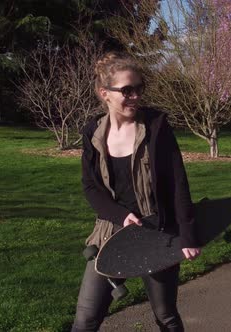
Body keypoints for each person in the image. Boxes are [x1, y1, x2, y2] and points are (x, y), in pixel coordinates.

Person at [72, 52, 201, 332]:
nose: (135, 96)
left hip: (157, 233)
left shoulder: (155, 127)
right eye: (127, 90)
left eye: (139, 89)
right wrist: (121, 215)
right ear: (104, 93)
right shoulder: (93, 132)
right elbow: (90, 187)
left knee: (165, 316)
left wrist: (188, 235)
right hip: (109, 233)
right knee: (85, 319)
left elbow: (178, 182)